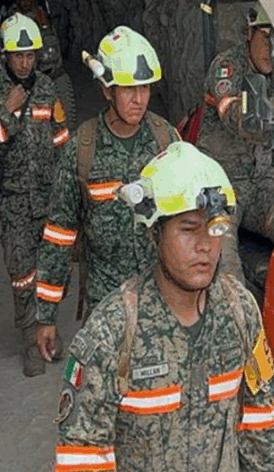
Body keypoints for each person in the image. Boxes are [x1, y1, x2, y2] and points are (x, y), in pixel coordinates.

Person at [52, 141, 274, 472]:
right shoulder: (112, 331)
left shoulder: (240, 311)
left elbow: (261, 423)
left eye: (214, 229)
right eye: (188, 229)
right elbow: (82, 455)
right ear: (154, 235)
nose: (205, 245)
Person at [34, 26, 200, 364]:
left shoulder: (165, 140)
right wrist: (46, 316)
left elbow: (190, 219)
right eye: (128, 89)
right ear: (107, 90)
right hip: (106, 304)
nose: (139, 99)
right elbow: (59, 236)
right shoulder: (83, 149)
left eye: (145, 88)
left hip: (162, 297)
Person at [196, 5, 274, 245]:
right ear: (249, 34)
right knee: (221, 253)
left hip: (263, 180)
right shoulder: (227, 68)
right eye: (266, 39)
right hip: (223, 181)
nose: (272, 50)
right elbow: (235, 119)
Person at [0, 14, 70, 376]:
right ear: (6, 56)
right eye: (18, 56)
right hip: (12, 200)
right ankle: (30, 341)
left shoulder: (46, 87)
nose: (25, 62)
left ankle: (46, 334)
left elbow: (60, 136)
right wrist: (7, 112)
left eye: (30, 55)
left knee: (51, 270)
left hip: (46, 196)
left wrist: (68, 179)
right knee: (21, 274)